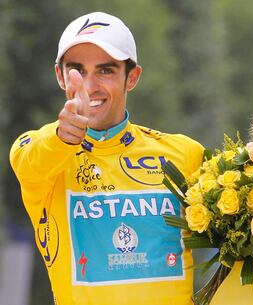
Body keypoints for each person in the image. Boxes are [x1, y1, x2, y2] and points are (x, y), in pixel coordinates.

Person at [10, 12, 204, 305]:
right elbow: (32, 162)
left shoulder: (185, 154)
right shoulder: (38, 150)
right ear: (60, 76)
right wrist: (64, 137)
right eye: (77, 70)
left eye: (105, 71)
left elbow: (242, 248)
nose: (89, 87)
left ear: (132, 77)